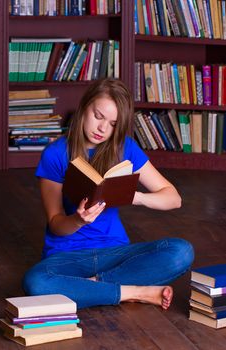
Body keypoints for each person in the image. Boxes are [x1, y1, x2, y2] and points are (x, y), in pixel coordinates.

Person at [23, 78, 194, 310]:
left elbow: (173, 199)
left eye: (113, 123)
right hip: (68, 256)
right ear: (84, 108)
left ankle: (90, 287)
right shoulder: (55, 154)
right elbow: (55, 224)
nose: (103, 129)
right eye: (98, 116)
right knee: (36, 282)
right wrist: (78, 220)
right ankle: (135, 292)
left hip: (114, 252)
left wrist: (135, 196)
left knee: (181, 252)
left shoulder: (125, 148)